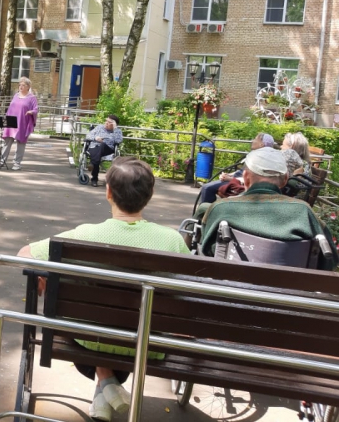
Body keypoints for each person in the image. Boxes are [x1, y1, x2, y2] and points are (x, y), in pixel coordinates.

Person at [18, 157, 189, 422]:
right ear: (150, 194)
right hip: (148, 343)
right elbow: (191, 288)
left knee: (78, 293)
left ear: (108, 192)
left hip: (89, 339)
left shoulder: (85, 235)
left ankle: (106, 380)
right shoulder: (172, 241)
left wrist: (44, 275)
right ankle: (107, 384)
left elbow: (24, 254)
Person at [197, 147, 338, 271]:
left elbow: (207, 251)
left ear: (245, 178)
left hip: (231, 288)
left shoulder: (221, 208)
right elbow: (329, 261)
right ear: (285, 179)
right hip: (288, 291)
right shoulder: (304, 212)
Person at [197, 133, 275, 206]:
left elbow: (254, 178)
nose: (252, 141)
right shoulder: (254, 155)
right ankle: (208, 211)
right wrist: (228, 174)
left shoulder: (262, 160)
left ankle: (204, 213)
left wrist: (230, 179)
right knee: (207, 187)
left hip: (240, 183)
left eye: (255, 139)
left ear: (261, 144)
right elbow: (241, 171)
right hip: (234, 179)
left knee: (206, 188)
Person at [0, 77, 39, 171]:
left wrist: (31, 112)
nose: (21, 87)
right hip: (12, 121)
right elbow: (11, 107)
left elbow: (36, 109)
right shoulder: (16, 95)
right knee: (7, 142)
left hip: (23, 122)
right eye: (20, 85)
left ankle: (17, 163)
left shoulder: (32, 98)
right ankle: (1, 161)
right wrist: (6, 118)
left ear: (28, 87)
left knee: (21, 143)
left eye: (23, 85)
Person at [85, 114, 123, 187]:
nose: (106, 123)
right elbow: (88, 136)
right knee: (97, 153)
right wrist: (96, 138)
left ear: (114, 124)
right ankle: (94, 178)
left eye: (109, 122)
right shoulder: (99, 127)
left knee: (102, 145)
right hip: (94, 147)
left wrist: (115, 128)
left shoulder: (117, 131)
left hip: (107, 149)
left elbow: (118, 140)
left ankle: (94, 174)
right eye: (106, 121)